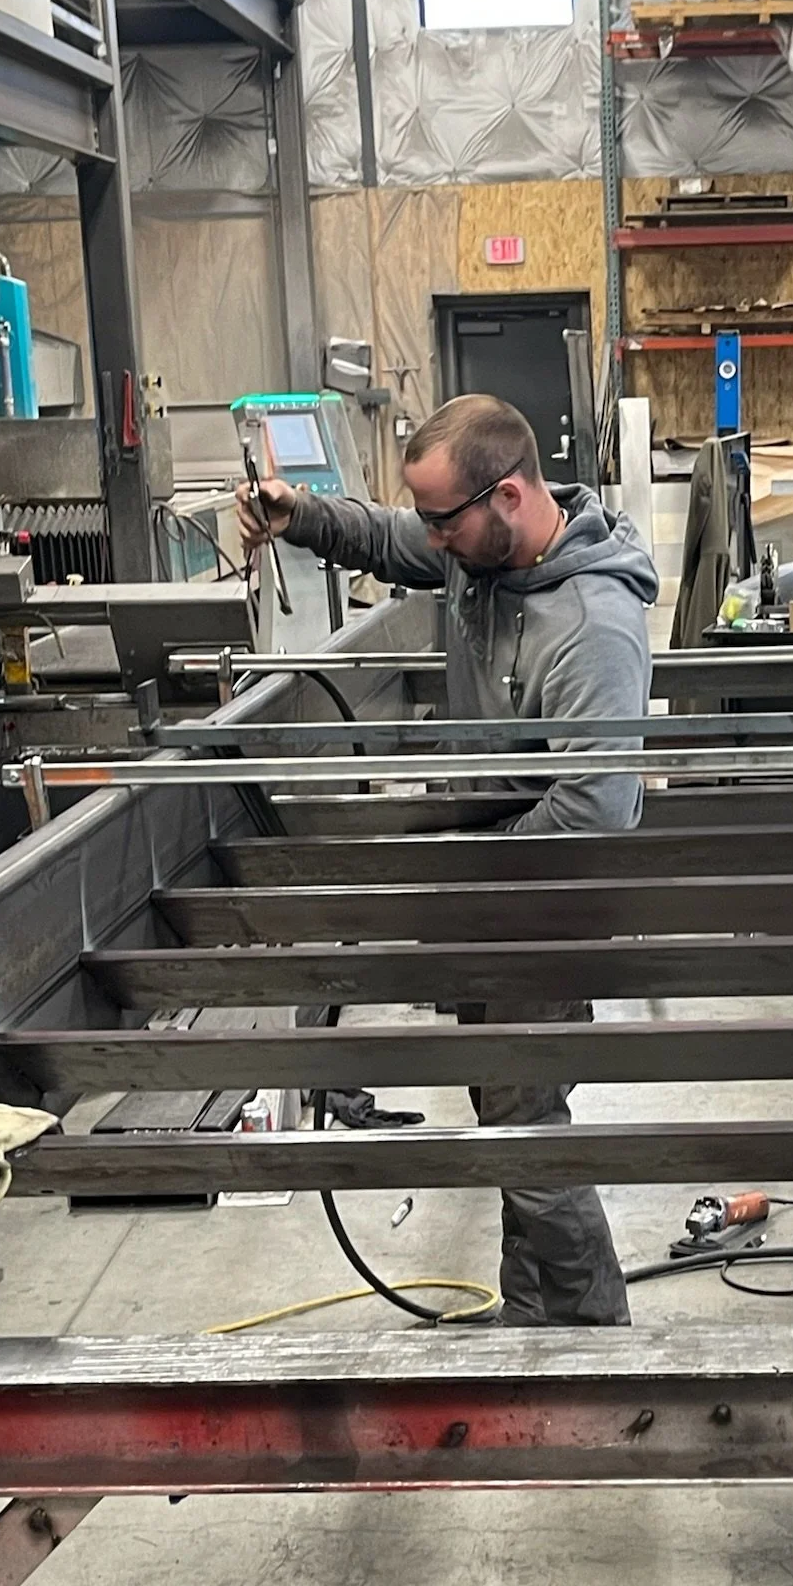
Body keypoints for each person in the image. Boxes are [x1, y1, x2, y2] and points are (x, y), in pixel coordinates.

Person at [236, 393, 657, 1329]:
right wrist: (300, 515)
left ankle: (595, 1333)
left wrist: (468, 868)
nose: (431, 539)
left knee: (524, 1123)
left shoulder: (587, 624)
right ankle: (536, 1315)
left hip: (546, 903)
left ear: (507, 496)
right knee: (509, 1104)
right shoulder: (486, 550)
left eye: (444, 521)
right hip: (493, 895)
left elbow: (597, 807)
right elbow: (393, 538)